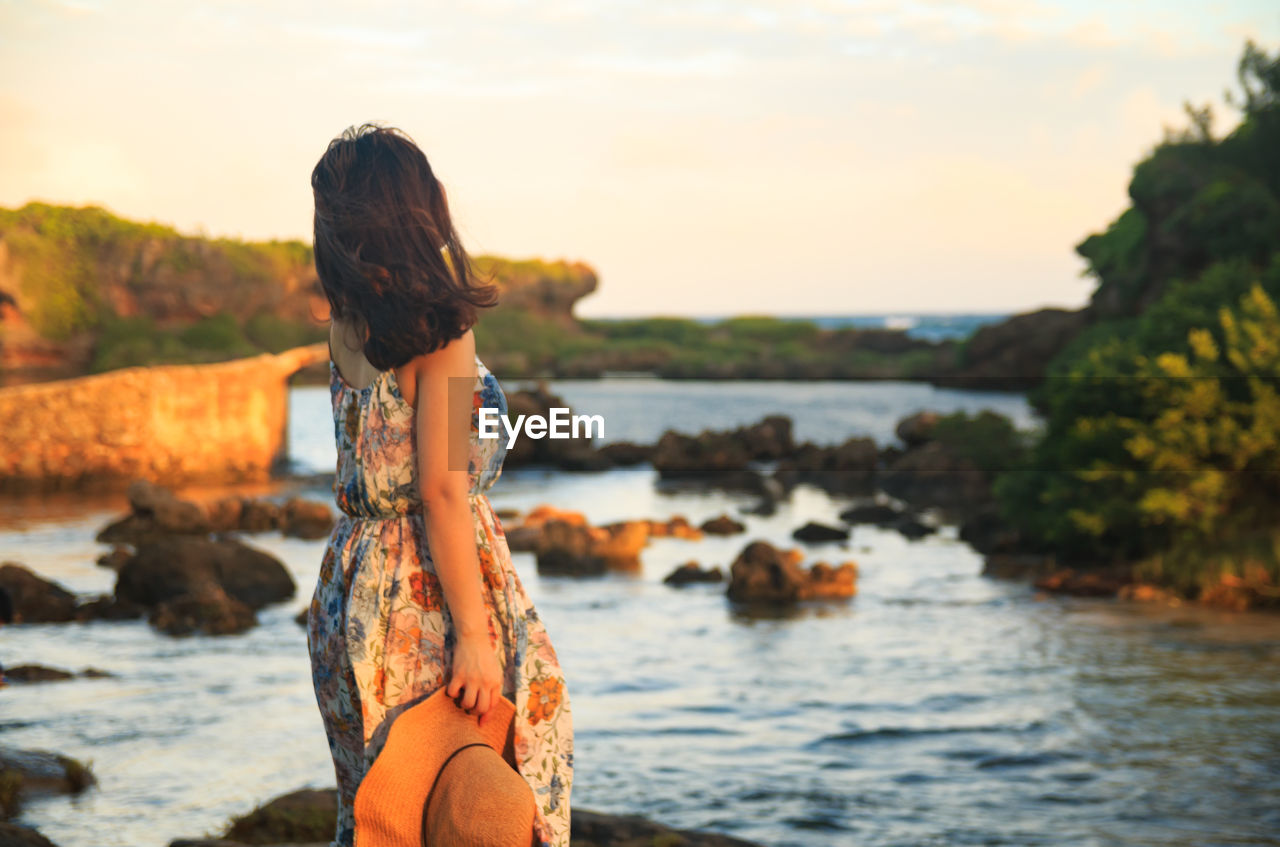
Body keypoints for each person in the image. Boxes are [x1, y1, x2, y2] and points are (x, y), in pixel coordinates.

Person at [305, 123, 573, 847]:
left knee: (384, 809)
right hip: (427, 588)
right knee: (482, 790)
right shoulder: (444, 337)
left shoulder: (347, 323)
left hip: (350, 588)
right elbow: (444, 492)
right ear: (423, 210)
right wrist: (477, 638)